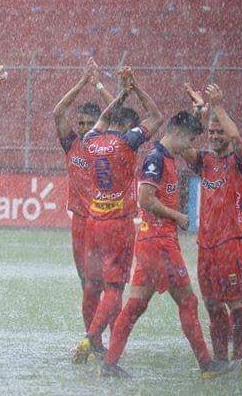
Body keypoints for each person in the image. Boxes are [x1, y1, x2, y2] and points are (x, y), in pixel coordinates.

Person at [99, 111, 234, 378]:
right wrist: (177, 216)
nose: (190, 147)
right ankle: (207, 365)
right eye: (190, 139)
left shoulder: (166, 158)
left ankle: (109, 364)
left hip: (151, 242)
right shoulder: (156, 158)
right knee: (188, 301)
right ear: (180, 134)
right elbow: (145, 199)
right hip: (160, 243)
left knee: (135, 306)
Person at [72, 67, 164, 362]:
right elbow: (156, 118)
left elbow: (102, 119)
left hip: (94, 222)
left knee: (91, 284)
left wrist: (120, 95)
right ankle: (91, 338)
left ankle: (93, 334)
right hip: (118, 224)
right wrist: (134, 88)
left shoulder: (89, 139)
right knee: (114, 287)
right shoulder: (127, 142)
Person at [182, 83, 242, 364]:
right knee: (211, 304)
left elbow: (237, 138)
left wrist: (217, 106)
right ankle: (220, 359)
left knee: (238, 306)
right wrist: (198, 113)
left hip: (231, 244)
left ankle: (239, 357)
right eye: (212, 132)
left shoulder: (237, 161)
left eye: (220, 132)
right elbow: (182, 143)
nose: (216, 136)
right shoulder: (204, 161)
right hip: (205, 247)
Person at [53, 58, 113, 332]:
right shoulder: (72, 144)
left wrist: (99, 84)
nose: (85, 127)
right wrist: (82, 82)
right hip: (79, 222)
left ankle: (112, 334)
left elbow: (117, 109)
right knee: (86, 283)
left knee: (110, 283)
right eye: (81, 122)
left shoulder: (111, 145)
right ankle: (93, 337)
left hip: (105, 221)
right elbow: (58, 112)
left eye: (91, 123)